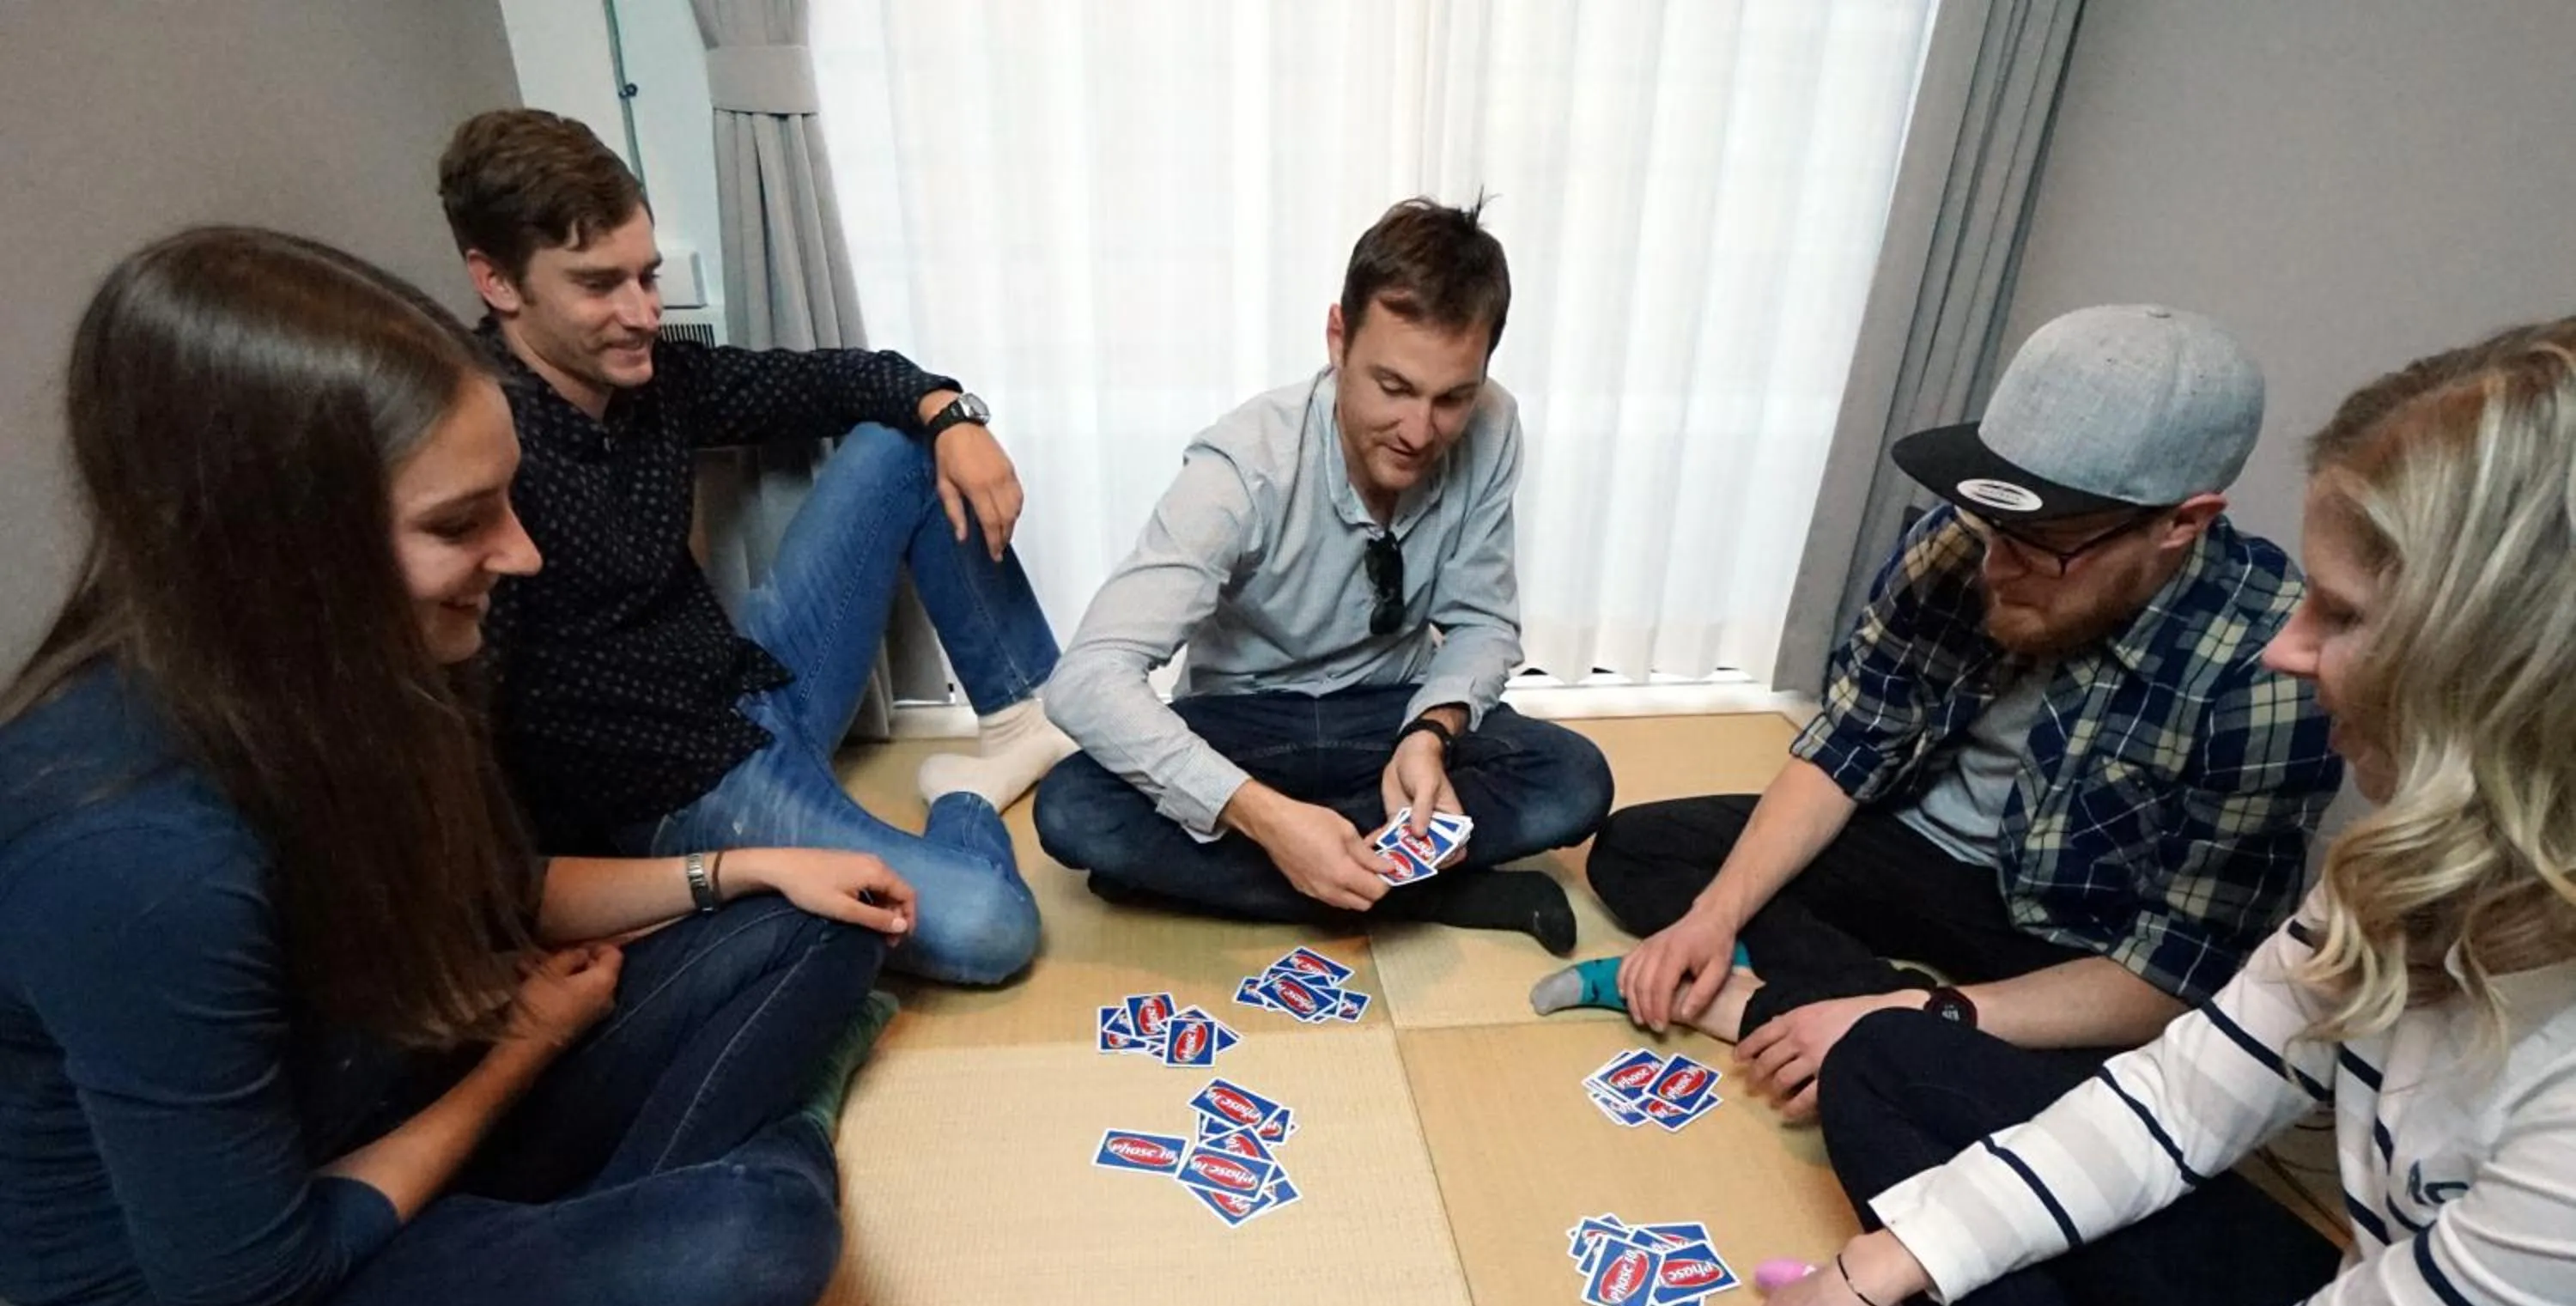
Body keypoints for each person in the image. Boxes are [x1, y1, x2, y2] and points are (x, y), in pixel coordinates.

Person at [0, 227, 914, 1306]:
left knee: (817, 927)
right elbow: (253, 1282)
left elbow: (499, 891)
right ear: (276, 549)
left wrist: (744, 867)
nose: (525, 556)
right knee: (755, 1239)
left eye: (510, 499)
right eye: (459, 523)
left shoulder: (346, 676)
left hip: (403, 1109)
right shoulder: (130, 850)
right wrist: (523, 1056)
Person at [1710, 320, 2576, 1306]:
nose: (2297, 649)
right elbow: (2178, 1101)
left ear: (2513, 661)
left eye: (2345, 618)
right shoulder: (2417, 866)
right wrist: (1872, 1277)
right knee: (1890, 1063)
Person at [1559, 307, 2341, 1118]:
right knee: (1641, 853)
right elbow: (1849, 745)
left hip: (2070, 940)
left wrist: (1932, 1013)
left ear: (2182, 523)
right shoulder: (1965, 539)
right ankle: (1859, 1029)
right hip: (1914, 851)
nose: (1997, 567)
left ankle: (1808, 1018)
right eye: (1996, 525)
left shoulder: (2273, 670)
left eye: (2044, 546)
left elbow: (2177, 969)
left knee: (2112, 1107)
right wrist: (1714, 921)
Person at [436, 108, 1072, 987]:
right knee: (988, 927)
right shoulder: (474, 458)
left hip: (753, 685)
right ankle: (966, 795)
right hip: (682, 792)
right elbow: (478, 744)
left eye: (648, 277)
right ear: (497, 282)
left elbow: (834, 378)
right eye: (598, 285)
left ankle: (1023, 710)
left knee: (904, 439)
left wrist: (947, 409)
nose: (642, 313)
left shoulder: (655, 378)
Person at [1031, 198, 1613, 954]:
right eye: (1394, 387)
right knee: (1073, 811)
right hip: (1247, 725)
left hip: (1390, 717)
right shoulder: (1242, 466)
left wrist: (1432, 735)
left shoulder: (1494, 427)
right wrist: (1266, 817)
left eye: (1452, 399)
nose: (1418, 431)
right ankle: (1411, 886)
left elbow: (1481, 623)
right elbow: (1086, 680)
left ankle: (1240, 871)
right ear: (1338, 338)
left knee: (1576, 780)